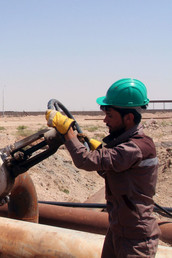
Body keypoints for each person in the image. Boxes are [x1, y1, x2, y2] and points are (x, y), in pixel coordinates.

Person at [46, 78, 160, 257]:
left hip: (135, 239)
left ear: (128, 118)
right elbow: (110, 169)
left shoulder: (136, 147)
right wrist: (99, 150)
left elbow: (85, 161)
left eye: (110, 115)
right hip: (118, 230)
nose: (105, 120)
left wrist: (67, 133)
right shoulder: (128, 145)